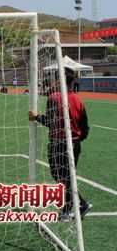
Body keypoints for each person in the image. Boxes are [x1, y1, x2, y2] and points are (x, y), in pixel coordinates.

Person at [28, 68, 92, 221]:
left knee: (60, 176)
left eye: (54, 78)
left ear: (59, 79)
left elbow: (51, 121)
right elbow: (85, 125)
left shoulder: (54, 97)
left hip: (59, 143)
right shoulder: (78, 99)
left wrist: (36, 117)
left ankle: (73, 208)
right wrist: (78, 139)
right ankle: (76, 206)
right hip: (74, 143)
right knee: (66, 177)